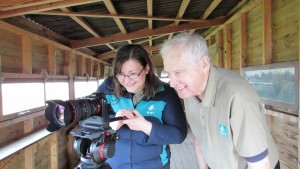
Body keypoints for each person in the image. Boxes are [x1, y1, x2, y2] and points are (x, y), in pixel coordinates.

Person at [160, 32, 280, 169]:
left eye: (178, 72)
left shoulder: (238, 97)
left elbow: (260, 163)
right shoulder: (189, 92)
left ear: (204, 64)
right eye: (169, 74)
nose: (172, 83)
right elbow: (200, 137)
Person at [96, 44, 187, 169]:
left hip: (156, 165)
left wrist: (146, 126)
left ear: (146, 69)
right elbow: (87, 119)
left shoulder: (165, 92)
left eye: (133, 73)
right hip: (115, 165)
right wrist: (111, 124)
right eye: (121, 74)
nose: (127, 80)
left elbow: (178, 135)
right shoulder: (108, 87)